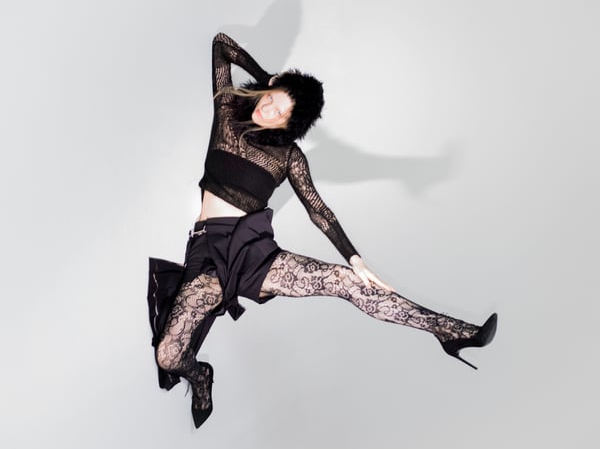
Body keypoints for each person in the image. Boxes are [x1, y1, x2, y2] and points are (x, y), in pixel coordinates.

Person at [147, 32, 497, 429]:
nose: (269, 110)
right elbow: (221, 45)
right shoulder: (227, 112)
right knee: (168, 357)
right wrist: (269, 79)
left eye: (281, 113)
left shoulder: (288, 157)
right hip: (206, 254)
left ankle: (449, 331)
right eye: (272, 99)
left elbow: (319, 211)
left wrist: (354, 257)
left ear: (290, 125)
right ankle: (200, 376)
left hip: (250, 251)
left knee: (346, 282)